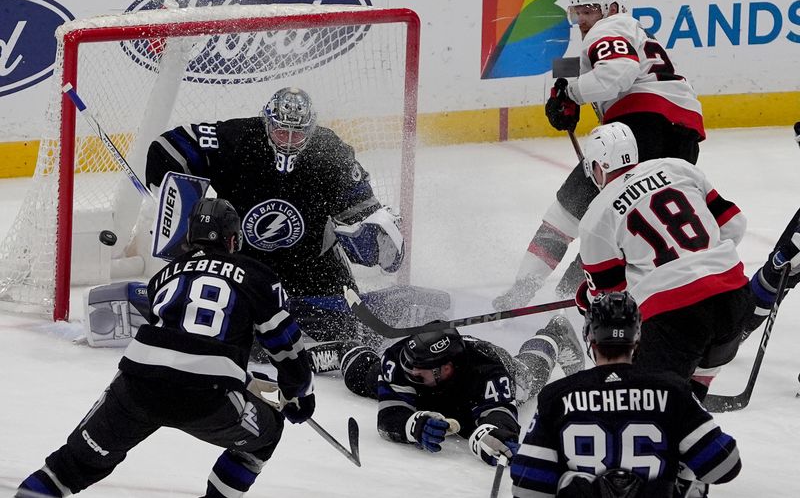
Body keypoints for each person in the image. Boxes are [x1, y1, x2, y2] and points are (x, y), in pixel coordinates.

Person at [17, 198, 314, 498]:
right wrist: (298, 393)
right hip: (205, 398)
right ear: (233, 239)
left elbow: (178, 339)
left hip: (135, 387)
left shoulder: (162, 277)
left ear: (188, 237)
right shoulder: (258, 277)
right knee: (267, 435)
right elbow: (285, 347)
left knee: (70, 466)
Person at [145, 87, 414, 360]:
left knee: (349, 328)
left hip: (314, 265)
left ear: (310, 130)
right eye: (280, 131)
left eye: (296, 133)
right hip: (245, 265)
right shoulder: (236, 139)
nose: (287, 140)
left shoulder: (331, 152)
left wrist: (377, 236)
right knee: (228, 323)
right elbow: (168, 147)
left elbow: (362, 207)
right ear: (267, 122)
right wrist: (171, 200)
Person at [494, 0, 705, 311]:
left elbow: (613, 76)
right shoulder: (630, 32)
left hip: (641, 132)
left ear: (612, 8)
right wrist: (563, 88)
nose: (581, 20)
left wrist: (570, 92)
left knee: (569, 213)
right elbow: (587, 67)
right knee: (617, 224)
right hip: (678, 140)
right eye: (577, 12)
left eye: (589, 10)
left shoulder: (611, 27)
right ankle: (579, 300)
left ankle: (533, 292)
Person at [576, 122, 800, 401]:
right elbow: (734, 225)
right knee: (693, 379)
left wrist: (587, 295)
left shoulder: (595, 216)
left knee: (643, 399)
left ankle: (676, 407)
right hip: (735, 301)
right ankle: (695, 395)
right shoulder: (676, 167)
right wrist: (697, 260)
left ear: (598, 166)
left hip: (675, 320)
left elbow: (611, 300)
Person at [510, 292, 742, 498]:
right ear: (637, 336)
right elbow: (724, 466)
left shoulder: (557, 395)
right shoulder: (672, 390)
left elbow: (527, 487)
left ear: (590, 336)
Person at [338, 314, 584, 465]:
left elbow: (502, 419)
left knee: (531, 374)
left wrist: (489, 434)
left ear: (444, 369)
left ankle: (554, 334)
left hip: (486, 381)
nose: (409, 373)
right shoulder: (400, 361)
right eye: (407, 364)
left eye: (418, 371)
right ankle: (343, 351)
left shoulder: (490, 372)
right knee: (365, 377)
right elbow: (389, 419)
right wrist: (412, 426)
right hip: (440, 393)